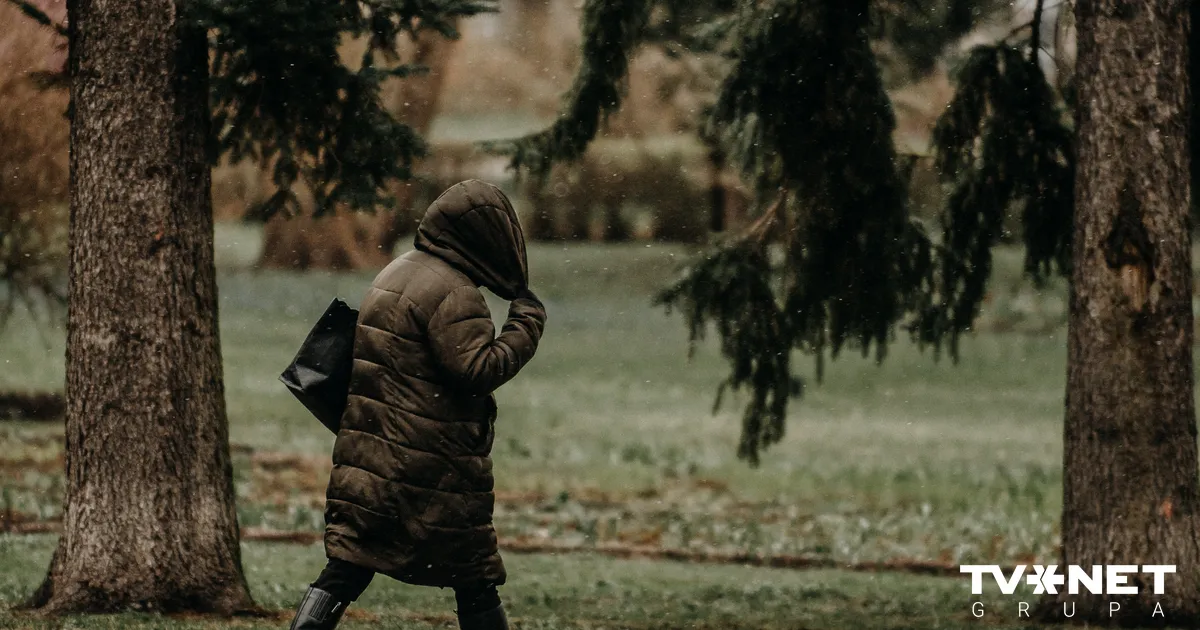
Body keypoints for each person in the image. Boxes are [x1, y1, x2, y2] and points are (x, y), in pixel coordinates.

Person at [287, 180, 547, 630]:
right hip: (432, 466)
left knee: (351, 560)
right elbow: (479, 370)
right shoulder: (454, 293)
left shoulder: (398, 270)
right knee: (474, 575)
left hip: (375, 455)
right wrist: (526, 323)